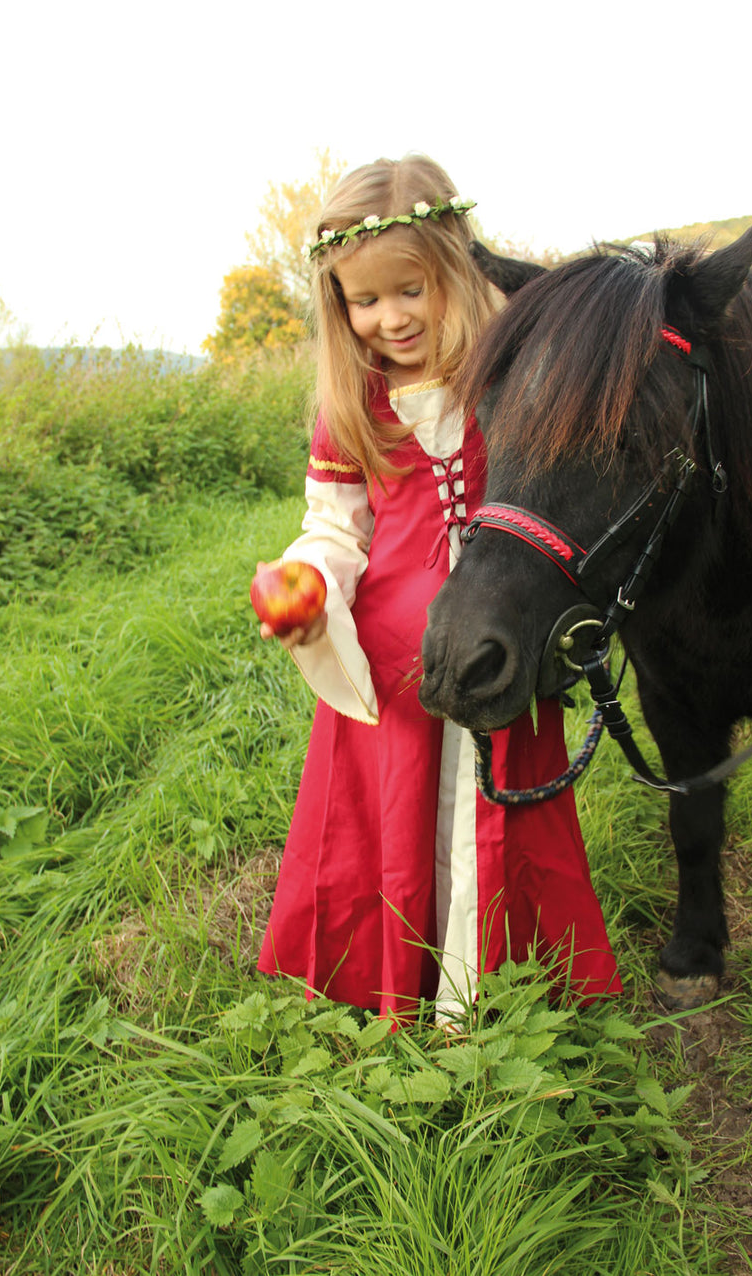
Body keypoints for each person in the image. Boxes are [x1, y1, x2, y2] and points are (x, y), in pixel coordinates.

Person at [256, 154, 620, 1023]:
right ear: (339, 304)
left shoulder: (512, 377)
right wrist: (309, 579)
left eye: (409, 289)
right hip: (396, 660)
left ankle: (496, 990)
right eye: (365, 300)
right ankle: (405, 983)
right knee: (401, 823)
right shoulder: (357, 403)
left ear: (454, 267)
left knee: (495, 816)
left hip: (503, 634)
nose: (390, 318)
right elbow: (338, 529)